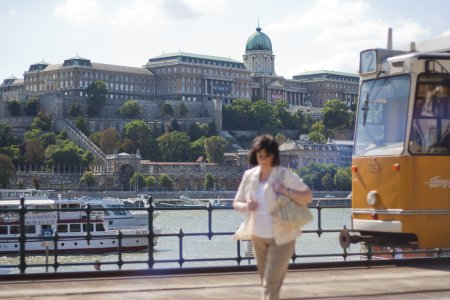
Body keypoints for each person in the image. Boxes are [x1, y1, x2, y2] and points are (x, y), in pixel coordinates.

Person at [233, 134, 312, 300]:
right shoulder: (249, 175)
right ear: (255, 155)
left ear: (274, 155)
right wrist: (247, 206)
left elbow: (307, 196)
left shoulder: (284, 175)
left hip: (283, 237)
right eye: (260, 156)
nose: (263, 159)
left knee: (269, 284)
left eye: (267, 155)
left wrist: (286, 191)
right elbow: (236, 203)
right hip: (257, 236)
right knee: (268, 285)